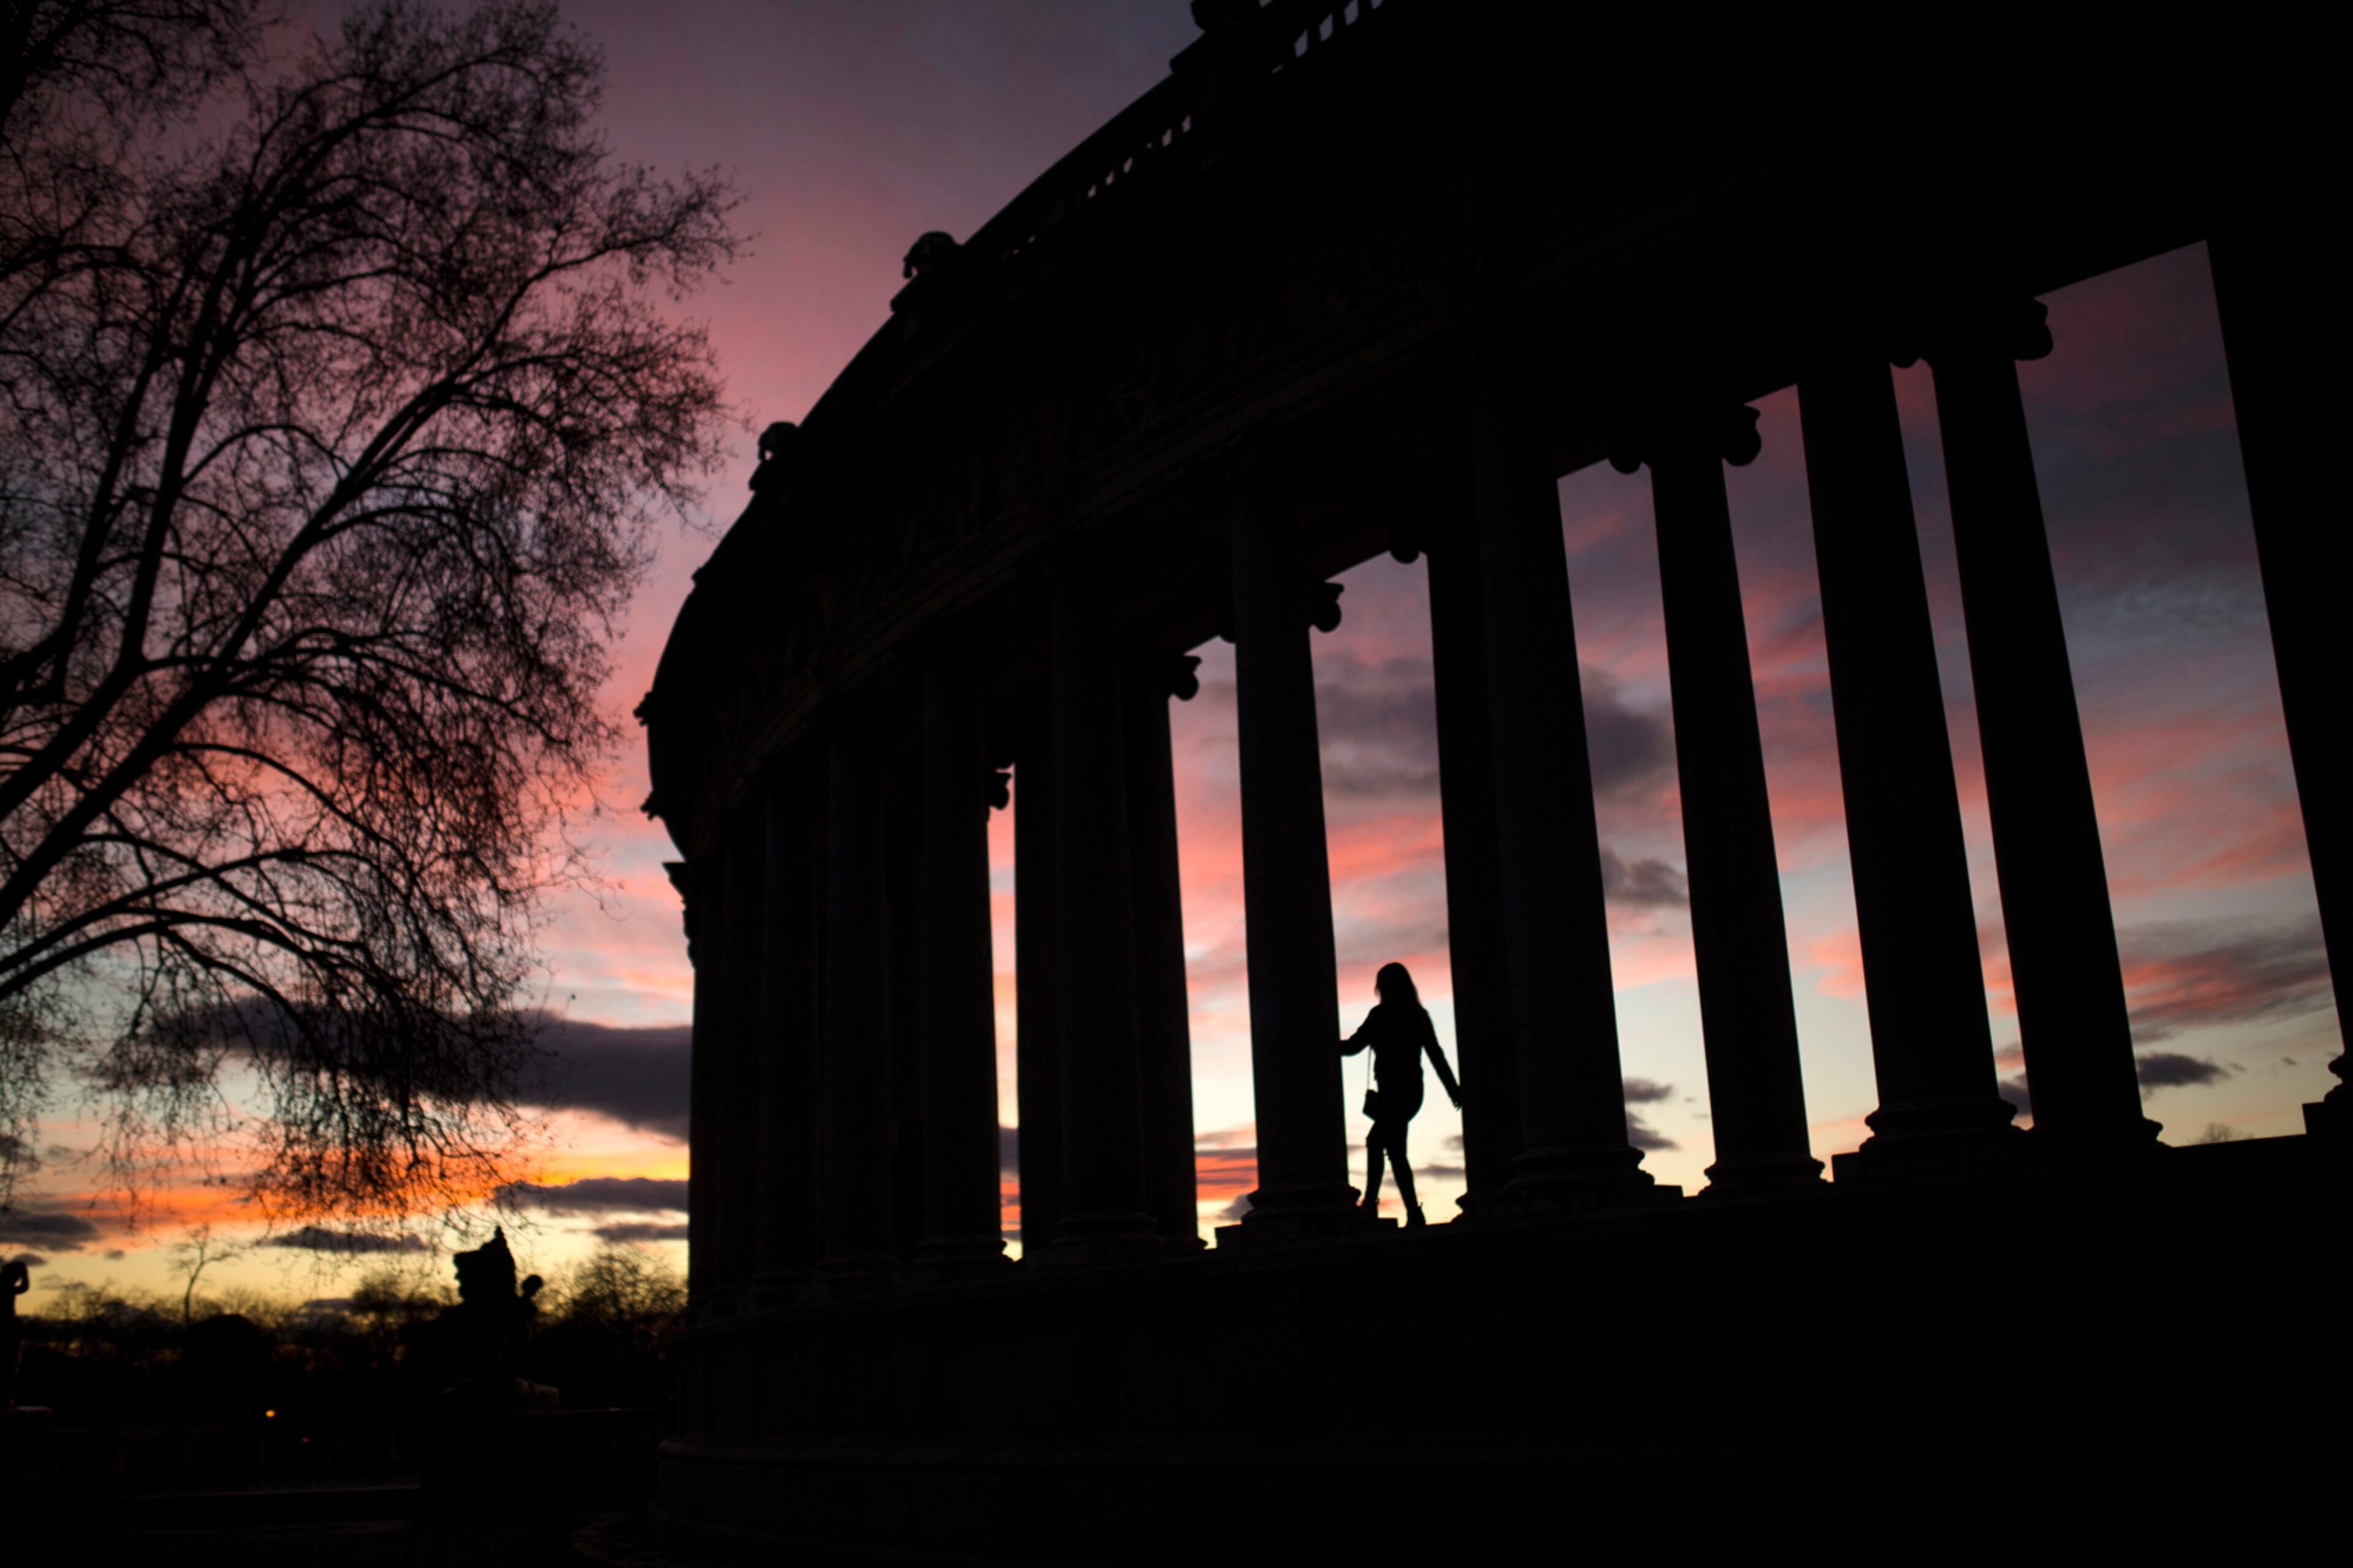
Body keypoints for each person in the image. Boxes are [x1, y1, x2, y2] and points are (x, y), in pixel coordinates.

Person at [1339, 963, 1461, 1228]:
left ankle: (1371, 1204)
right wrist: (1453, 1090)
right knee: (1395, 1151)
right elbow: (1436, 1057)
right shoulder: (1418, 1015)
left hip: (1394, 1095)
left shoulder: (1381, 1016)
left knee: (1376, 1141)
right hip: (1412, 1093)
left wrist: (1323, 1043)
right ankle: (1413, 1213)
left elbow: (1352, 1047)